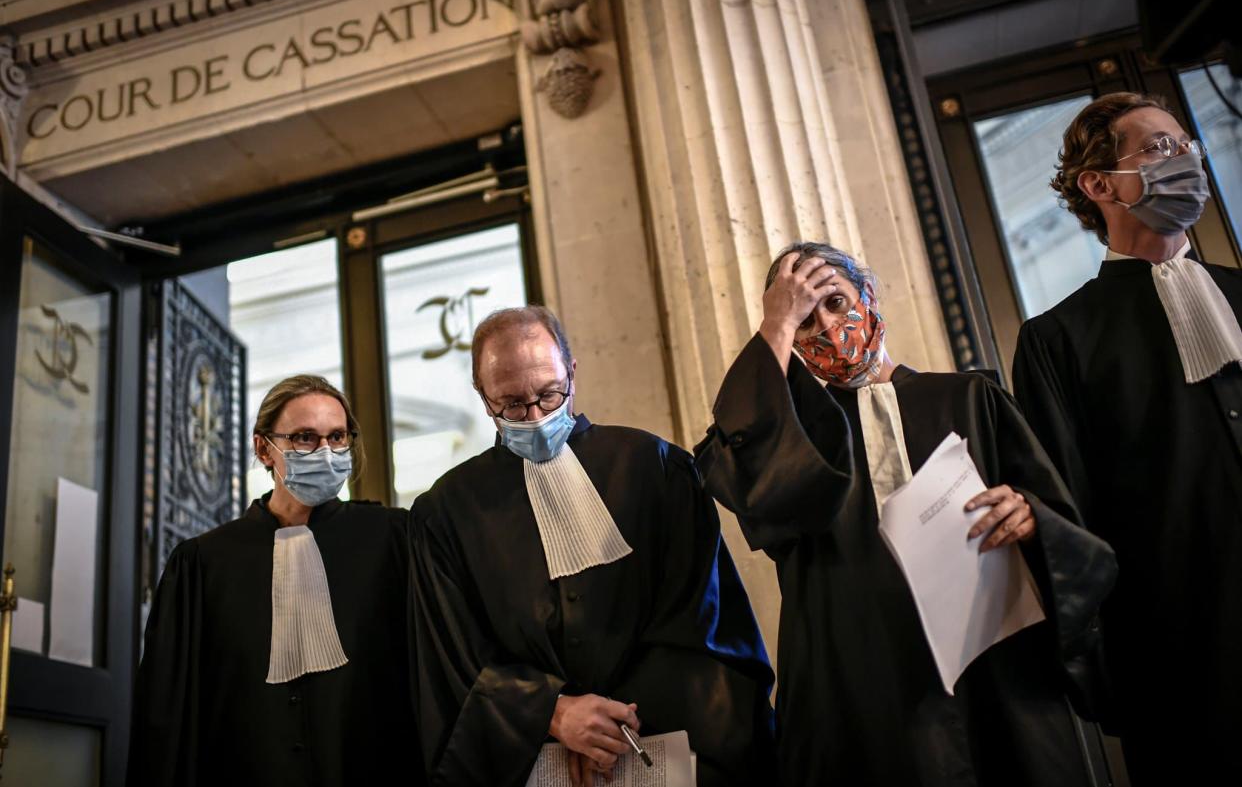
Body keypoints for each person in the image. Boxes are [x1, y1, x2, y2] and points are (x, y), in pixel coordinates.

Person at [695, 243, 1117, 786]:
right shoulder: (793, 440)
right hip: (865, 690)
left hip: (996, 675)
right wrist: (775, 323)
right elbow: (740, 475)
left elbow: (1066, 527)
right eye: (806, 318)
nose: (827, 325)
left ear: (868, 296)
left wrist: (1031, 515)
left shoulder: (970, 398)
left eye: (836, 302)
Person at [408, 305, 775, 787]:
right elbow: (451, 654)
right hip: (532, 759)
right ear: (483, 397)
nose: (535, 416)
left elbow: (700, 616)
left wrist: (612, 728)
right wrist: (553, 714)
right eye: (511, 404)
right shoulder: (446, 511)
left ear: (572, 372)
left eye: (548, 393)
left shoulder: (655, 468)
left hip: (663, 740)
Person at [1012, 91, 1242, 785]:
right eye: (1161, 149)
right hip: (1185, 656)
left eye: (1189, 148)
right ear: (1099, 183)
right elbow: (1067, 519)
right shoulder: (1058, 339)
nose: (1187, 163)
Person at [128, 375, 419, 787]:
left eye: (337, 437)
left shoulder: (393, 538)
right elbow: (166, 713)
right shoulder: (203, 563)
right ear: (264, 448)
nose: (325, 452)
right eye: (304, 437)